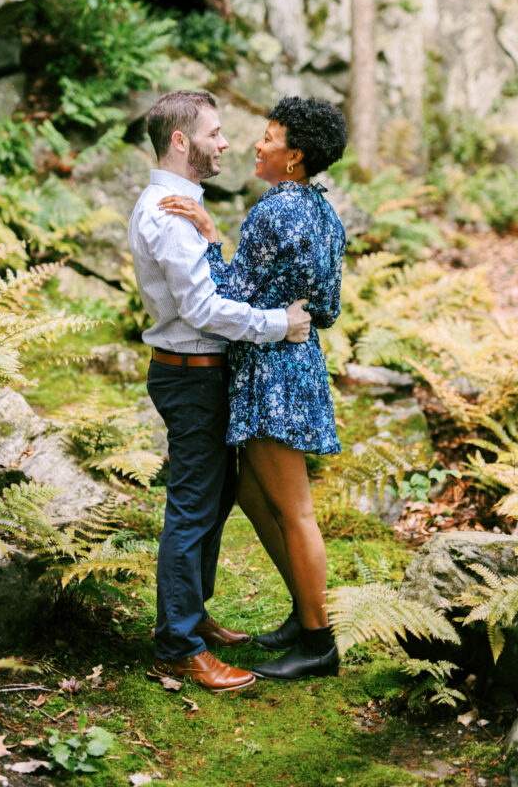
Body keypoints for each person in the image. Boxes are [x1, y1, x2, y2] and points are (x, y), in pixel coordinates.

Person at [127, 89, 312, 694]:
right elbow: (204, 308)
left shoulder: (182, 205)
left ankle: (194, 614)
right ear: (181, 141)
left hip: (200, 372)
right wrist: (278, 325)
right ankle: (178, 645)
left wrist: (213, 240)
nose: (226, 142)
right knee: (191, 506)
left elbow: (206, 284)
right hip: (190, 374)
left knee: (213, 495)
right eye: (215, 132)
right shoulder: (168, 210)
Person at [159, 95, 348, 681]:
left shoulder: (273, 212)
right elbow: (330, 309)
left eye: (269, 137)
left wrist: (211, 239)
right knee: (246, 491)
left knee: (296, 512)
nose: (256, 144)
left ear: (293, 157)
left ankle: (319, 642)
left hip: (270, 372)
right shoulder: (324, 210)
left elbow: (229, 294)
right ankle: (304, 612)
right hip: (296, 362)